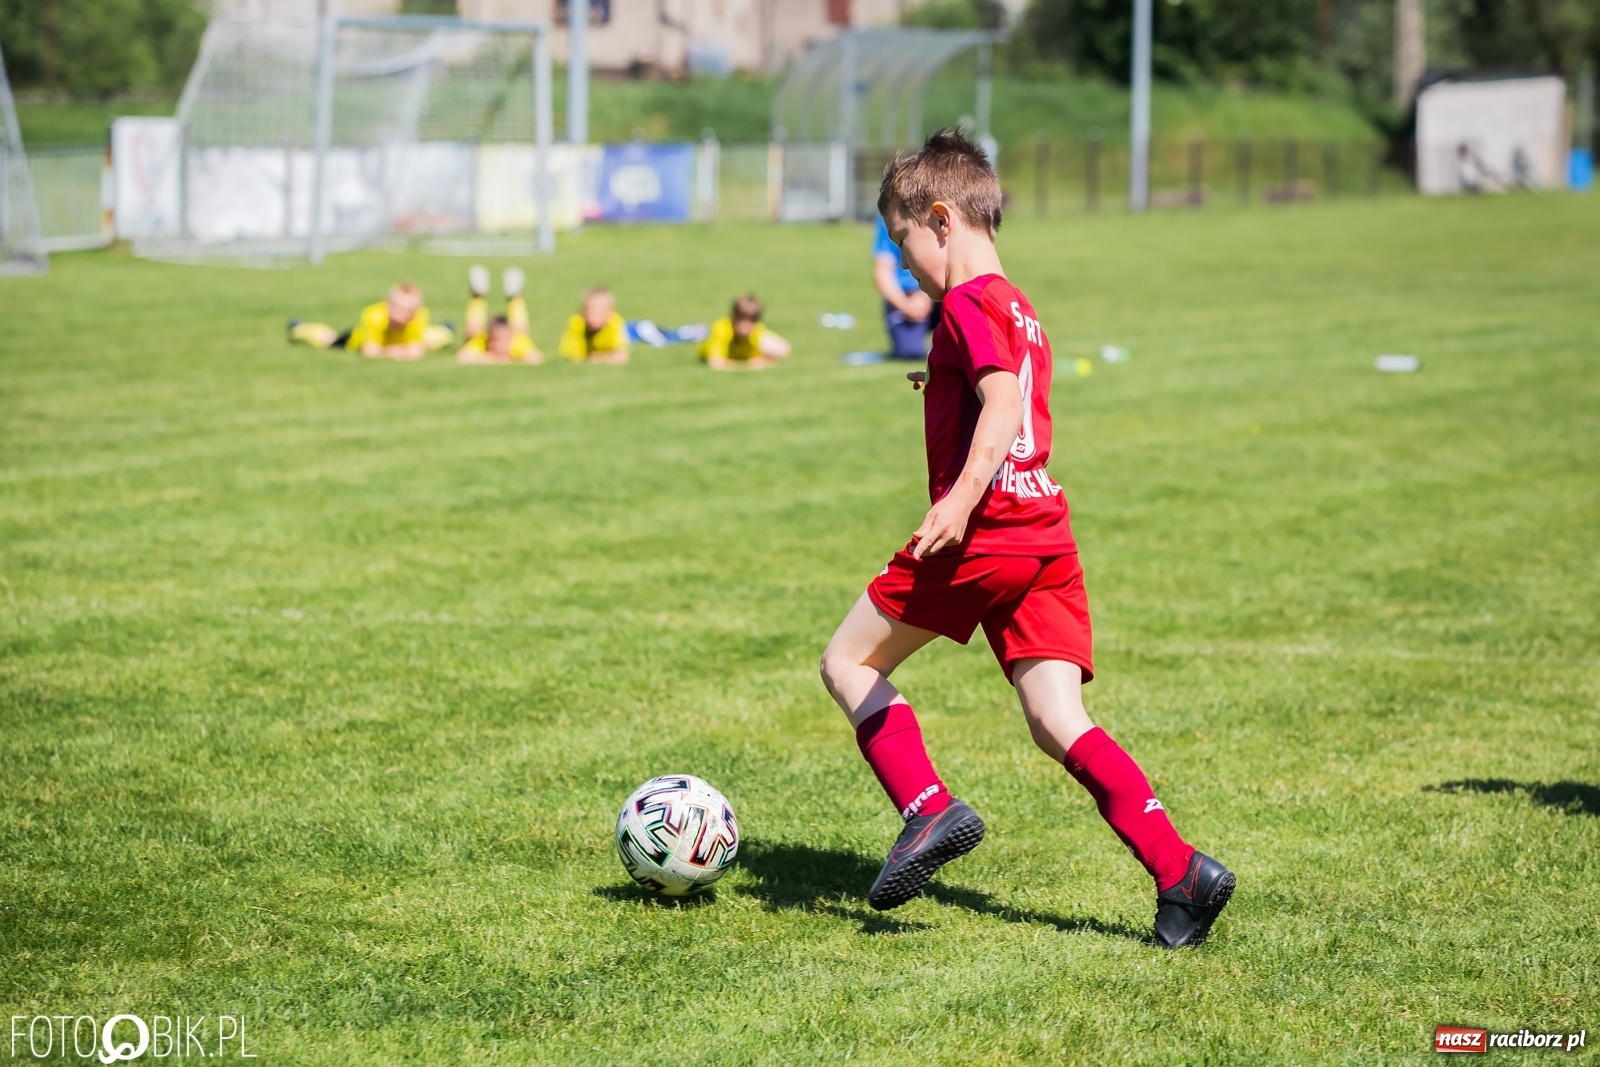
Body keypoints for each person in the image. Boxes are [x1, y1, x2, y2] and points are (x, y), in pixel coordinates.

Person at [817, 129, 1234, 949]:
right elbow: (1003, 388)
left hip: (988, 530)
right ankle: (1180, 869)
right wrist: (937, 383)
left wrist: (959, 500)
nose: (905, 270)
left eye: (906, 249)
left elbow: (1003, 405)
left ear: (941, 220)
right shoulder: (1016, 304)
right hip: (1046, 534)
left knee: (847, 660)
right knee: (1055, 715)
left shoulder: (967, 302)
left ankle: (927, 806)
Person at [288, 282, 453, 361]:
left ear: (414, 313)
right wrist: (396, 351)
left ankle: (448, 330)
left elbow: (416, 352)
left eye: (405, 312)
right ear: (387, 304)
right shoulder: (373, 315)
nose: (398, 315)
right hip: (354, 341)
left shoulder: (421, 316)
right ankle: (298, 329)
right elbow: (370, 352)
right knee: (329, 340)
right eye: (395, 308)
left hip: (397, 342)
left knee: (434, 337)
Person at [874, 211, 939, 360]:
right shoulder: (889, 215)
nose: (904, 263)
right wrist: (906, 305)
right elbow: (882, 272)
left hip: (939, 291)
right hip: (904, 295)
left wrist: (925, 295)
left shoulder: (937, 213)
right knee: (909, 353)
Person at [457, 266, 541, 364]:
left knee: (522, 332)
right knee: (472, 333)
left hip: (515, 334)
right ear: (489, 340)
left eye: (505, 341)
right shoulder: (481, 340)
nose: (501, 345)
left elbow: (536, 358)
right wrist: (494, 358)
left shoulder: (517, 342)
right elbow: (462, 357)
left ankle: (513, 297)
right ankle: (479, 295)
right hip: (484, 336)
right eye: (496, 341)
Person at [698, 294, 791, 371]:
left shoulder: (757, 331)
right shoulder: (721, 329)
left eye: (752, 320)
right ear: (733, 317)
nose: (745, 325)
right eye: (741, 318)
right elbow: (715, 363)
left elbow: (783, 349)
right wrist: (748, 365)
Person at [558, 286, 630, 364]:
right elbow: (570, 356)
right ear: (583, 311)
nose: (593, 316)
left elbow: (621, 355)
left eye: (600, 311)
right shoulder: (577, 324)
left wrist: (599, 357)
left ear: (610, 311)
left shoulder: (614, 323)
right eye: (590, 311)